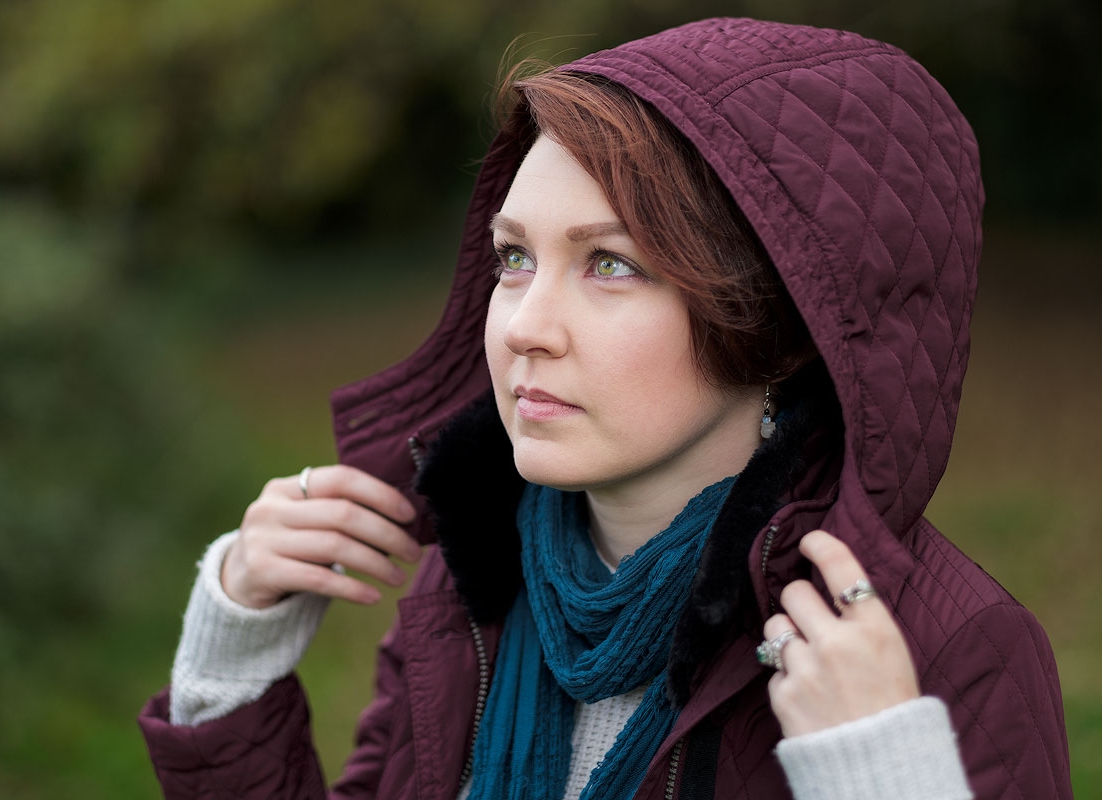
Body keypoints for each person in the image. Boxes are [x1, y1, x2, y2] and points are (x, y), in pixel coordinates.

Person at [139, 17, 1072, 799]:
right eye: (514, 259)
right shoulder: (477, 580)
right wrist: (235, 651)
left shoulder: (938, 653)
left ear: (783, 327)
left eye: (611, 265)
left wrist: (881, 772)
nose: (523, 328)